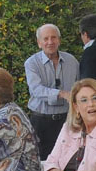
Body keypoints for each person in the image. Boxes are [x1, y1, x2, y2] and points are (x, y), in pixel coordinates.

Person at [25, 24, 79, 160]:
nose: (50, 42)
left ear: (59, 40)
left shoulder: (72, 61)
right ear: (39, 43)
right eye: (46, 39)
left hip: (67, 120)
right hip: (41, 122)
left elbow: (79, 86)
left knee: (68, 161)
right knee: (42, 162)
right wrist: (61, 94)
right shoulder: (31, 63)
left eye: (53, 38)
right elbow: (36, 90)